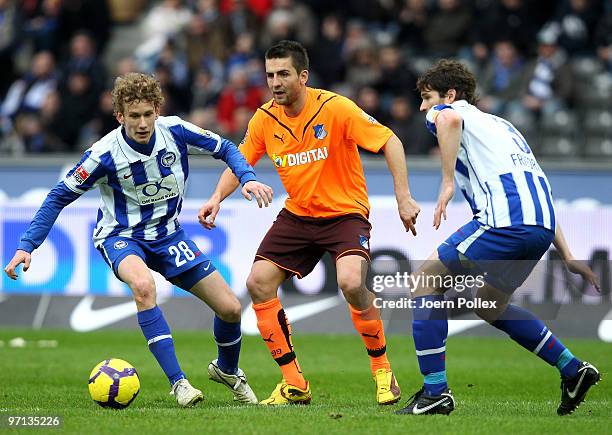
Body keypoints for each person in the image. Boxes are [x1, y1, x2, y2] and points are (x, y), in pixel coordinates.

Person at [4, 72, 274, 407]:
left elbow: (226, 148)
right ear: (120, 116)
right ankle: (179, 384)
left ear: (157, 110)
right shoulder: (103, 154)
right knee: (144, 287)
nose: (143, 123)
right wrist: (26, 246)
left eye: (148, 114)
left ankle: (227, 370)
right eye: (134, 116)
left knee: (231, 309)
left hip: (168, 234)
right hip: (121, 236)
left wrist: (246, 178)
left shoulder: (175, 130)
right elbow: (59, 196)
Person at [199, 40, 421, 405]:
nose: (275, 82)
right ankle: (295, 384)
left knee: (351, 282)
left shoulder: (335, 108)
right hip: (299, 214)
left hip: (344, 213)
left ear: (303, 76)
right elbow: (240, 160)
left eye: (283, 74)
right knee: (258, 282)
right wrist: (214, 199)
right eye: (270, 75)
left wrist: (403, 196)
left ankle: (383, 371)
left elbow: (390, 141)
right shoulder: (265, 118)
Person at [395, 59, 601, 416]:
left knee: (425, 283)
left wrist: (445, 183)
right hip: (540, 224)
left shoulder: (450, 112)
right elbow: (535, 186)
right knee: (490, 304)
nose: (422, 107)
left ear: (451, 94)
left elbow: (449, 119)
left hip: (504, 222)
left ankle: (435, 393)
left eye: (427, 97)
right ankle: (572, 369)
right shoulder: (505, 127)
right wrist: (566, 254)